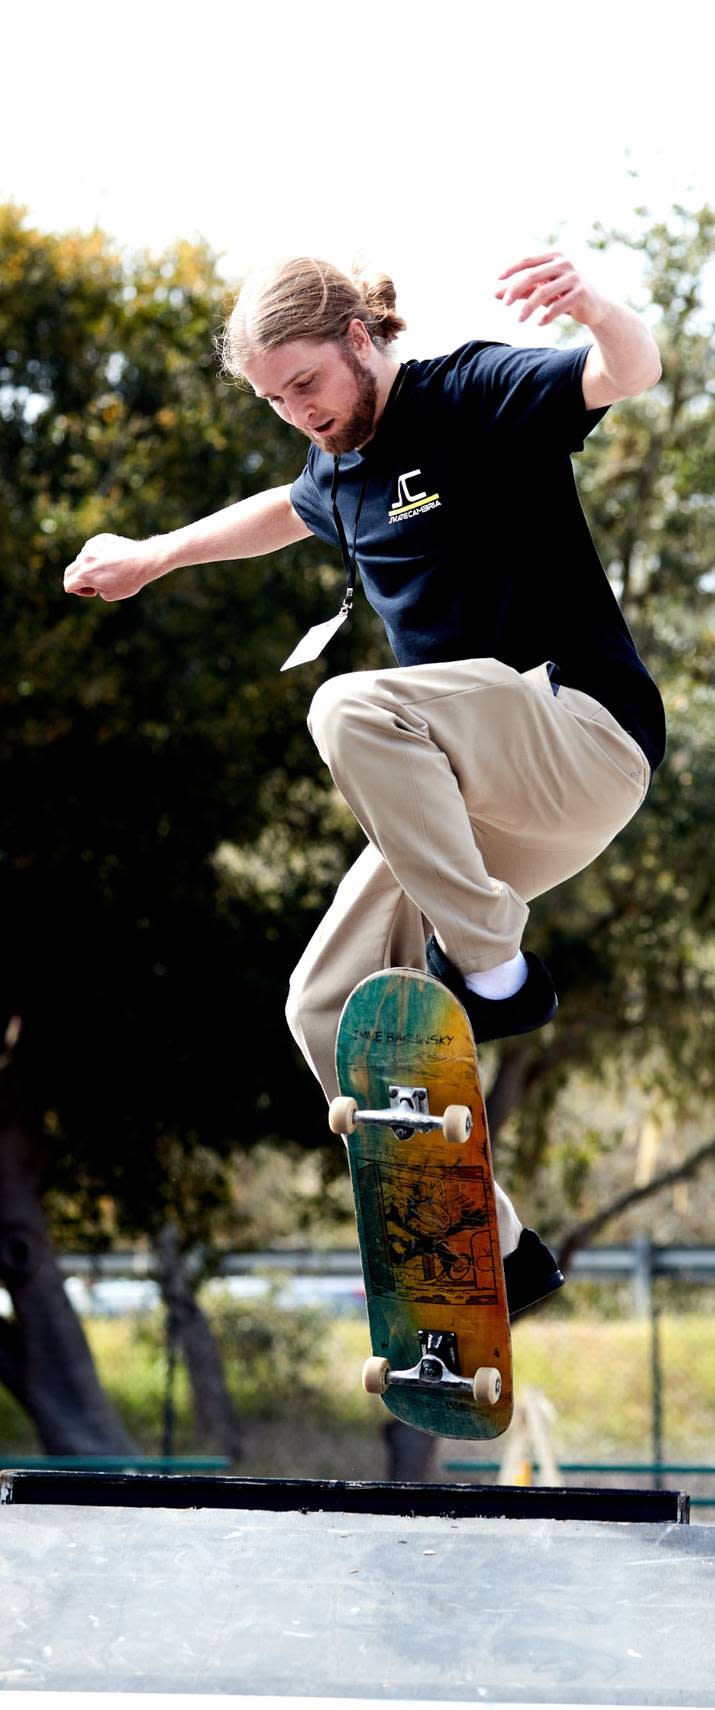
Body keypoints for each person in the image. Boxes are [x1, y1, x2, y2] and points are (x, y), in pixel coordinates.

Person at [63, 249, 666, 1318]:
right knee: (325, 1007)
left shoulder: (469, 395)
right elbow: (285, 511)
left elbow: (627, 373)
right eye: (271, 399)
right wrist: (153, 555)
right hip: (479, 810)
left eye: (306, 383)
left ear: (357, 337)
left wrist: (598, 309)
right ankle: (506, 1248)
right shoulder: (336, 472)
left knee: (350, 706)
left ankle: (492, 969)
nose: (297, 411)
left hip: (580, 731)